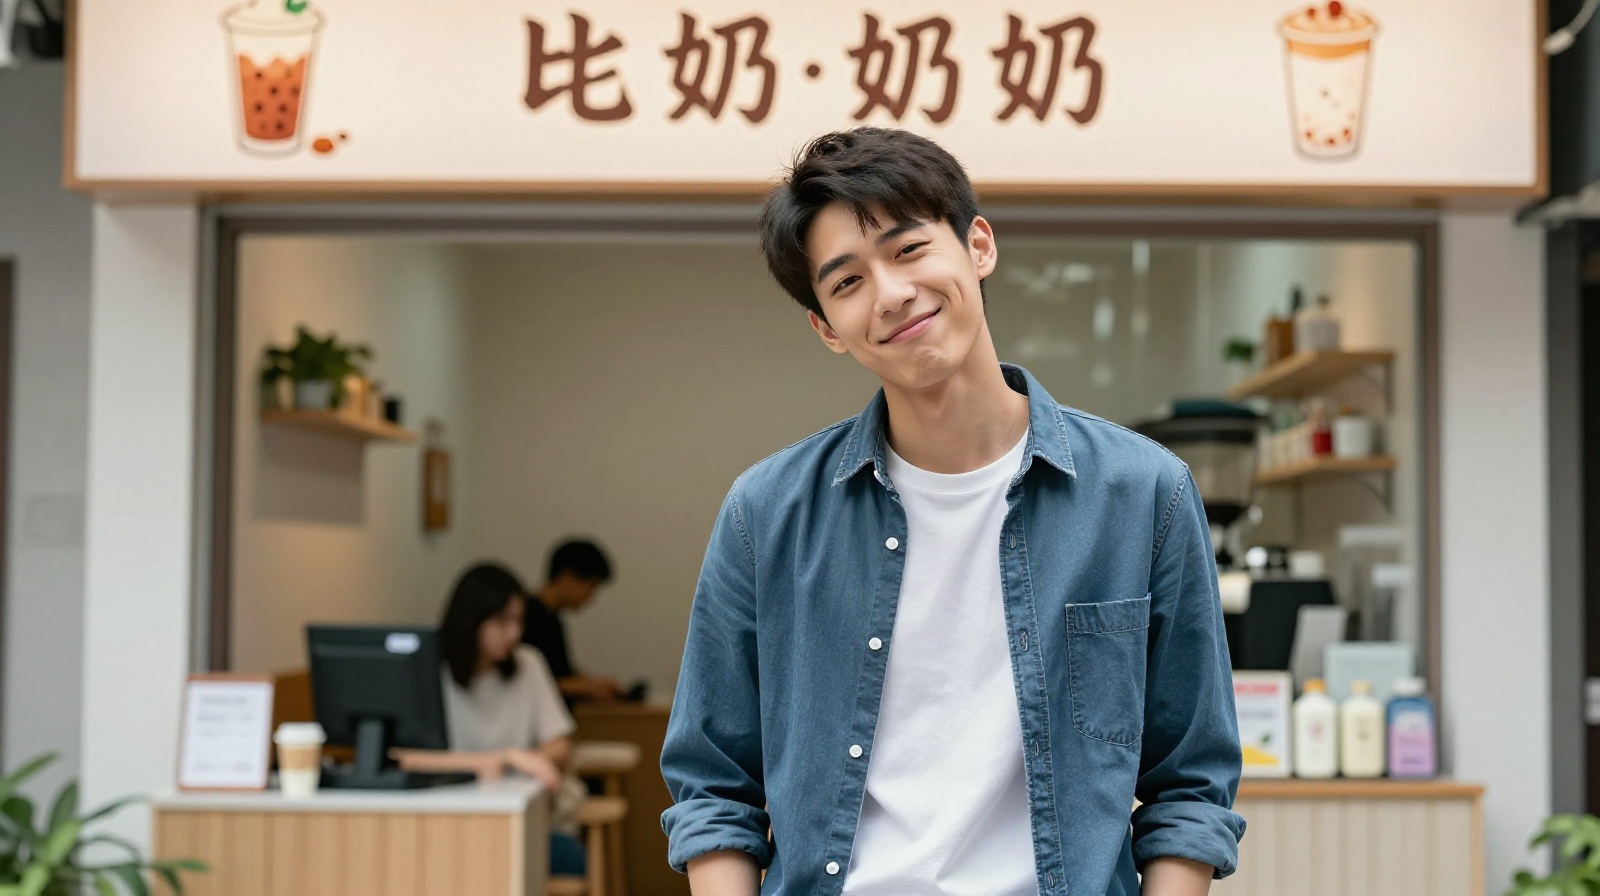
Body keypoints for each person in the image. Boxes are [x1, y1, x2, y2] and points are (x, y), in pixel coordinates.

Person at [660, 128, 1245, 896]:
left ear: (978, 245)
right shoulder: (765, 514)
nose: (891, 294)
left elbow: (1190, 783)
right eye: (847, 282)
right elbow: (713, 785)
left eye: (908, 250)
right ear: (826, 328)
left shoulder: (1143, 494)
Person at [396, 563, 588, 877]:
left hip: (517, 817)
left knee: (567, 858)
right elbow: (402, 758)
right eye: (501, 621)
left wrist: (521, 761)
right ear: (470, 621)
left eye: (518, 621)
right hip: (444, 818)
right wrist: (504, 758)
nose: (514, 633)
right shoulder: (428, 671)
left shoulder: (529, 664)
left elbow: (560, 745)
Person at [521, 539, 624, 703]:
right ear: (567, 577)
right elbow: (529, 681)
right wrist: (587, 688)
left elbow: (559, 671)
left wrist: (591, 683)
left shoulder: (551, 617)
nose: (591, 597)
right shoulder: (528, 617)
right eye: (591, 586)